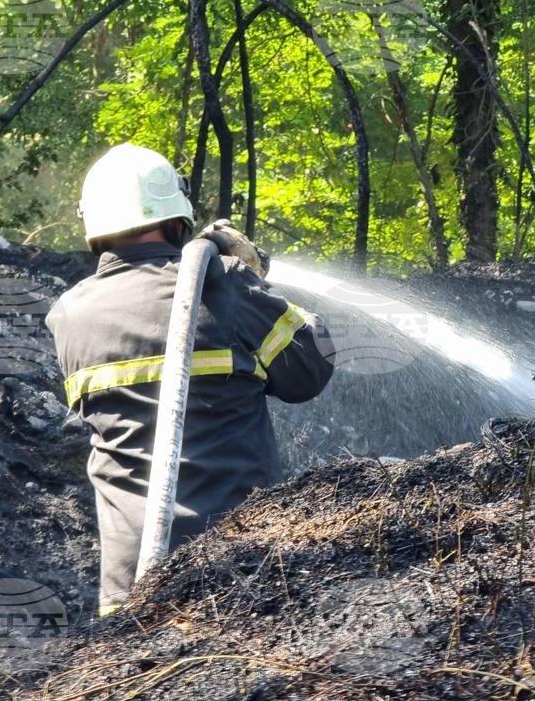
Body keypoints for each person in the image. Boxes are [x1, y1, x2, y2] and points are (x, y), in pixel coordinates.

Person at [47, 143, 334, 615]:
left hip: (129, 592)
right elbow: (309, 370)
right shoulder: (222, 282)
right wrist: (257, 280)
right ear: (177, 215)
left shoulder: (69, 315)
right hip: (240, 571)